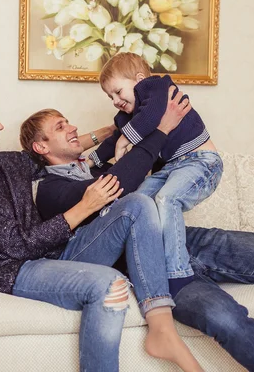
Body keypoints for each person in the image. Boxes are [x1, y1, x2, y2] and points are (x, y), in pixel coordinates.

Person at [0, 90, 203, 372]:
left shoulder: (4, 162)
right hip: (11, 270)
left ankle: (162, 328)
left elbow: (51, 151)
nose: (0, 126)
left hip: (54, 253)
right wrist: (85, 206)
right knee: (109, 285)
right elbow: (20, 247)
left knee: (137, 203)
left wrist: (110, 131)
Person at [22, 106, 254, 372]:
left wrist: (129, 126)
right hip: (156, 270)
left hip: (188, 240)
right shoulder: (50, 190)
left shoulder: (99, 167)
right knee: (229, 321)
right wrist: (161, 128)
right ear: (41, 147)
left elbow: (158, 166)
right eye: (61, 126)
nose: (72, 127)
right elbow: (122, 183)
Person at [93, 52, 222, 294]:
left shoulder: (156, 87)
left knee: (166, 199)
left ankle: (178, 275)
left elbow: (151, 117)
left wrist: (125, 139)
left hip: (201, 162)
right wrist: (93, 159)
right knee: (137, 202)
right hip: (171, 167)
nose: (115, 100)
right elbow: (113, 140)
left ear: (139, 79)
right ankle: (140, 265)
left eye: (118, 92)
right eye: (110, 96)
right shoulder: (128, 117)